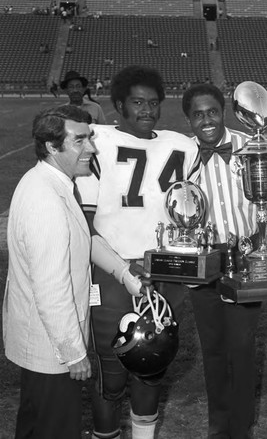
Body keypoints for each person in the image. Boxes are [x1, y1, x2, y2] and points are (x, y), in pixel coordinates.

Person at [76, 65, 201, 439]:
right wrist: (120, 268)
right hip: (112, 268)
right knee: (112, 368)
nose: (147, 110)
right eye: (137, 102)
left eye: (154, 103)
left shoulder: (181, 146)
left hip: (165, 269)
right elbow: (85, 224)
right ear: (118, 105)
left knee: (153, 362)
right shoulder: (95, 142)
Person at [3, 105, 95, 438]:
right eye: (80, 141)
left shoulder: (50, 182)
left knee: (35, 425)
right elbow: (51, 288)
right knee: (55, 428)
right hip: (52, 350)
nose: (91, 149)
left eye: (90, 138)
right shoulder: (45, 197)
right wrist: (74, 353)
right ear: (52, 146)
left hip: (44, 343)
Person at [182, 83, 261, 439]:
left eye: (212, 111)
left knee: (242, 347)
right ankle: (219, 427)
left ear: (223, 112)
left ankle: (240, 428)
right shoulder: (183, 156)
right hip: (203, 259)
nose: (206, 120)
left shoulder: (251, 145)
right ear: (189, 119)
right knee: (212, 347)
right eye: (198, 114)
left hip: (244, 256)